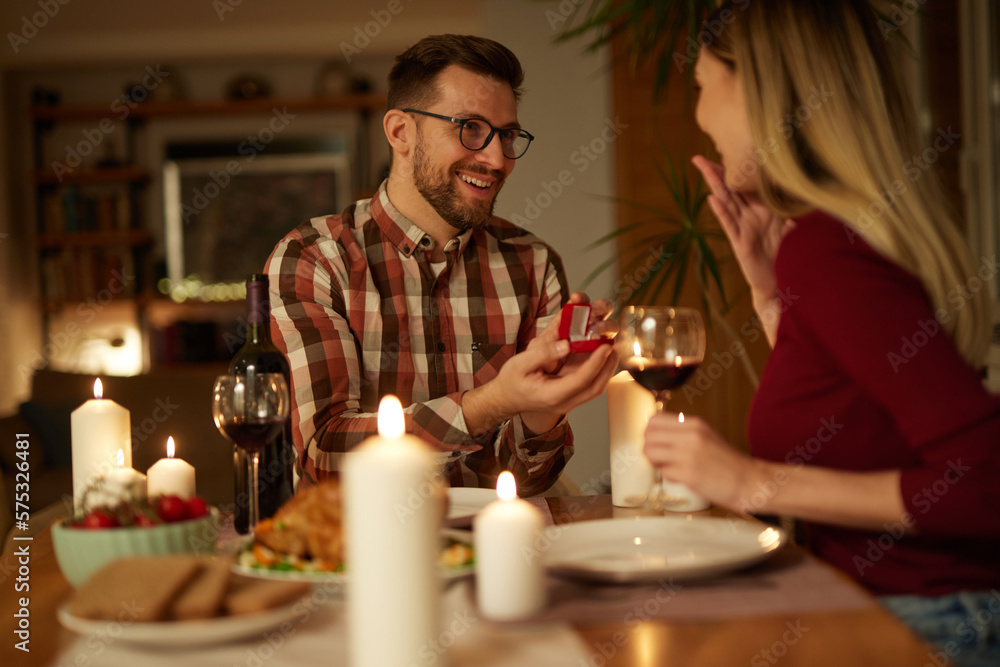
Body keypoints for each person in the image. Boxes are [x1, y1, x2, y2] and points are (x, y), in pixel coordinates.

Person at [643, 1, 1000, 664]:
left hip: (932, 625)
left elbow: (982, 479)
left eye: (702, 85)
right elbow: (856, 420)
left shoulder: (827, 246)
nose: (698, 115)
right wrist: (769, 295)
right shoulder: (834, 239)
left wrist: (749, 482)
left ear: (757, 84)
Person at [265, 34, 618, 496]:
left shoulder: (533, 263)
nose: (496, 159)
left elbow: (530, 479)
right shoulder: (314, 258)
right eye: (470, 127)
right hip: (358, 553)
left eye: (507, 134)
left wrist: (542, 406)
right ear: (400, 132)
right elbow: (326, 456)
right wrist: (489, 403)